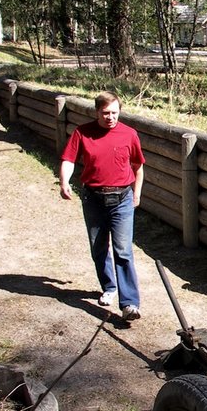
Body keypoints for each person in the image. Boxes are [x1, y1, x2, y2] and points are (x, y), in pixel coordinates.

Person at [59, 91, 146, 322]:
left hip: (122, 199)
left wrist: (136, 194)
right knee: (99, 248)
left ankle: (130, 304)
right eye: (105, 113)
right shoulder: (82, 132)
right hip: (93, 198)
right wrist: (64, 181)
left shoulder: (129, 134)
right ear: (97, 112)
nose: (110, 118)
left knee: (123, 250)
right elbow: (69, 159)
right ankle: (109, 286)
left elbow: (138, 166)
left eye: (114, 113)